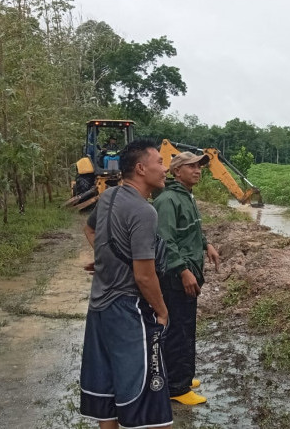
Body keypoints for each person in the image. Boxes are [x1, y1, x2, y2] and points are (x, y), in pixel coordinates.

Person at [79, 138, 172, 429]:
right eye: (159, 162)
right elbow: (144, 276)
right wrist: (162, 311)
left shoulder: (108, 197)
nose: (165, 167)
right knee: (149, 403)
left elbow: (90, 228)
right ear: (142, 169)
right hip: (128, 312)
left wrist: (107, 258)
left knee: (108, 403)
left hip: (99, 312)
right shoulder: (145, 212)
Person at [153, 151, 220, 405]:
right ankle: (177, 388)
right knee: (179, 329)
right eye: (191, 166)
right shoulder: (168, 200)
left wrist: (207, 245)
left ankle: (182, 374)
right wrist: (183, 271)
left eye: (199, 166)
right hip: (176, 277)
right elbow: (166, 240)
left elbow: (191, 229)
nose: (197, 170)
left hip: (188, 271)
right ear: (176, 171)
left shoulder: (186, 197)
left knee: (185, 325)